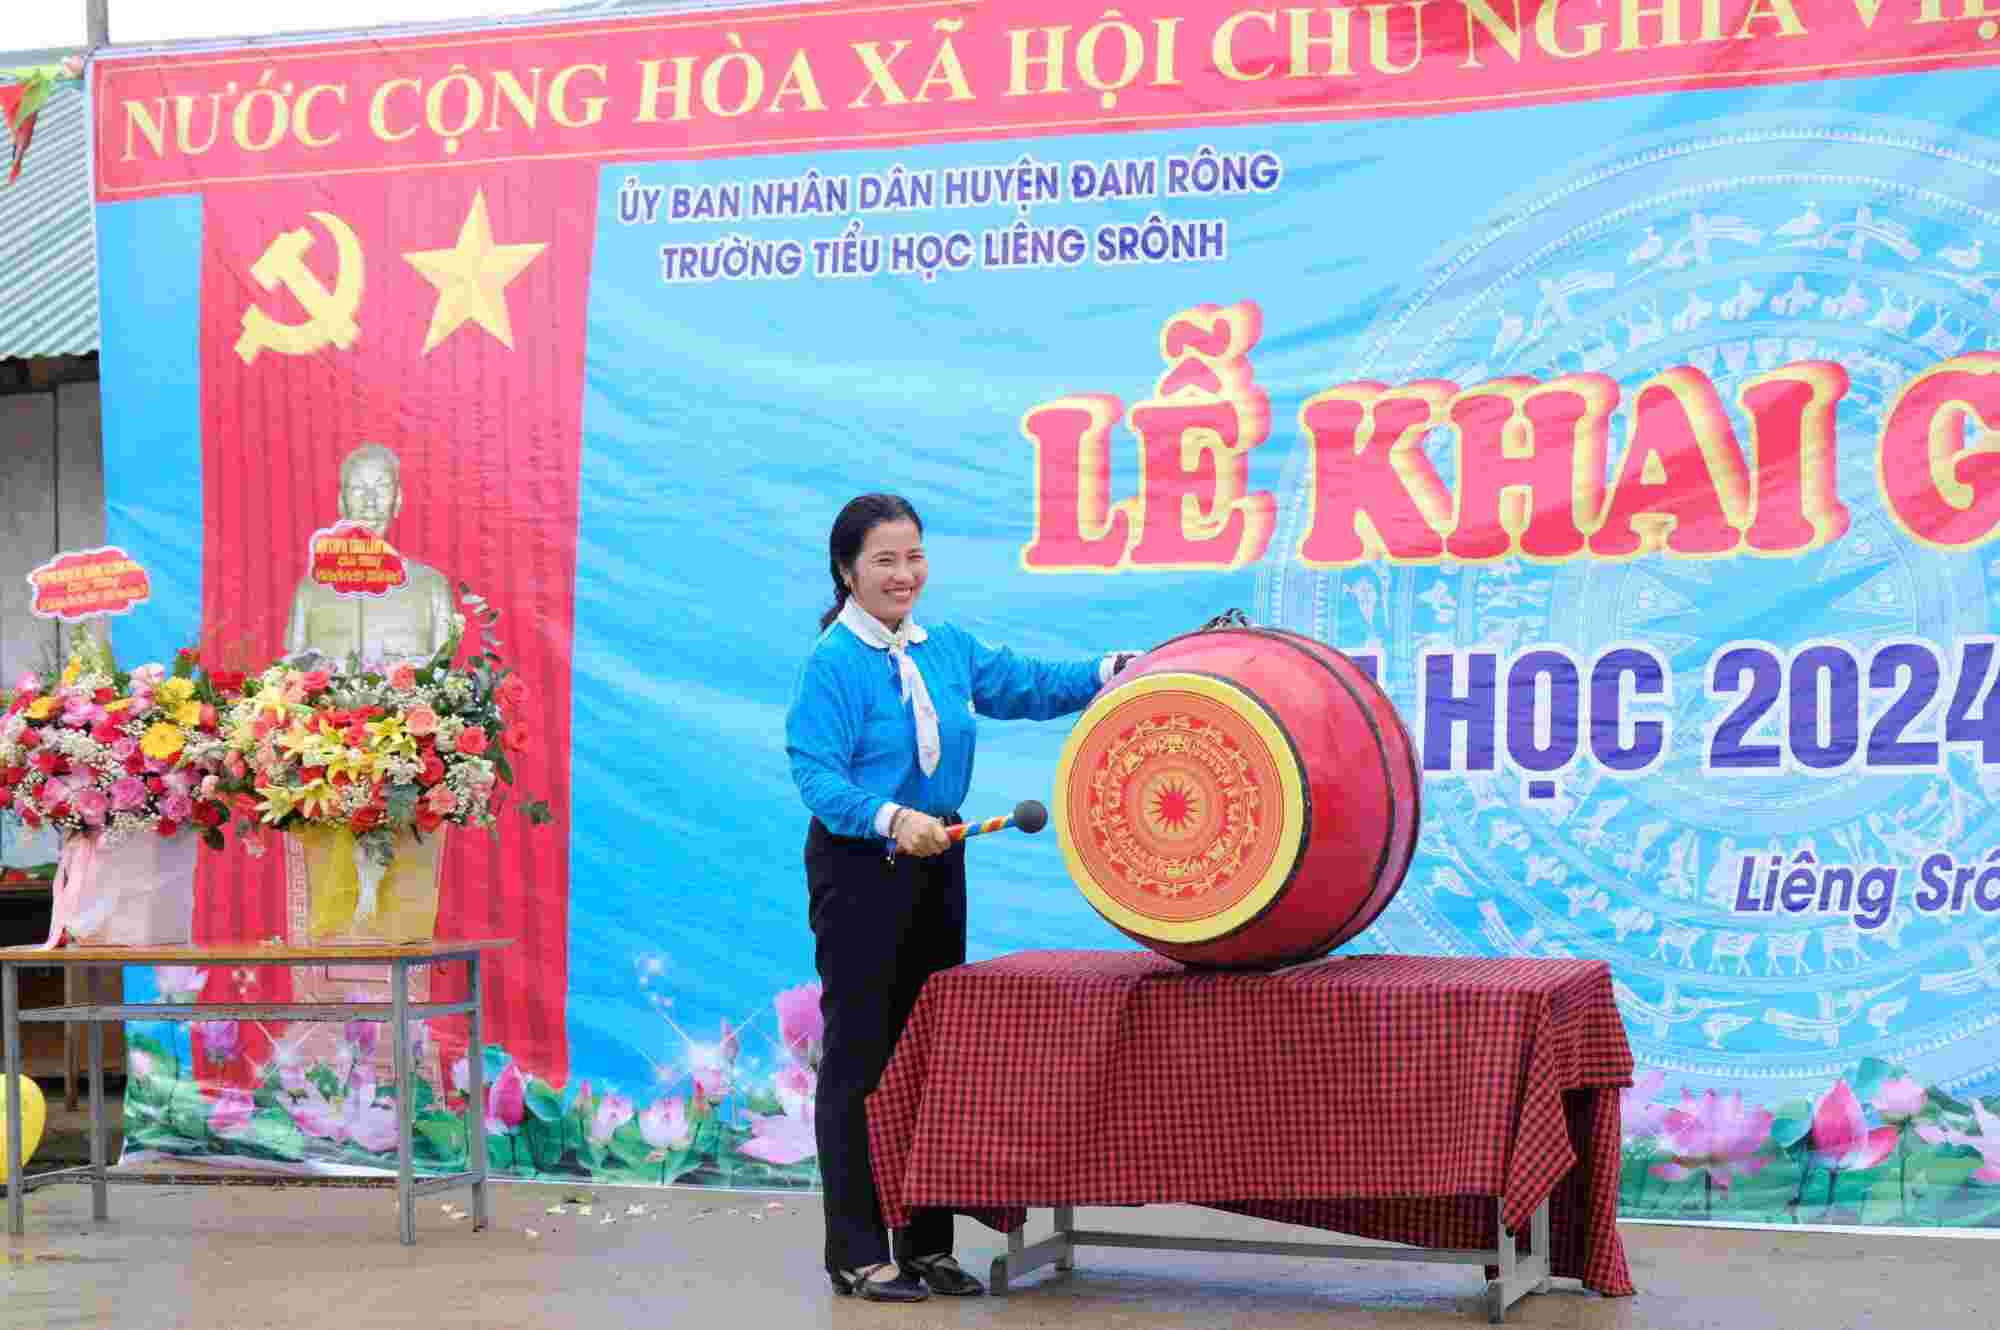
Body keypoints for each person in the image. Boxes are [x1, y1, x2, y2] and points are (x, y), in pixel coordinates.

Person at [784, 493, 1136, 1303]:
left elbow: (1029, 684)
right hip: (861, 868)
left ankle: (927, 1243)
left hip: (941, 858)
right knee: (863, 1060)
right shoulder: (832, 664)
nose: (904, 575)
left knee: (926, 1049)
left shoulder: (944, 648)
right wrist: (890, 816)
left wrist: (1118, 669)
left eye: (914, 557)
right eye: (885, 560)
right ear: (846, 571)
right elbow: (817, 777)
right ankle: (858, 1249)